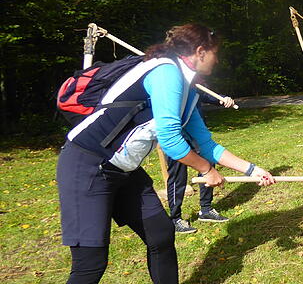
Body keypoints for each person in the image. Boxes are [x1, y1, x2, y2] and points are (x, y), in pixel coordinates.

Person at [56, 24, 276, 284]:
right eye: (215, 53)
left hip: (124, 170)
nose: (217, 60)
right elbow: (171, 141)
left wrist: (252, 170)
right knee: (90, 264)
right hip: (87, 165)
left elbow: (205, 143)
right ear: (201, 51)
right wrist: (207, 170)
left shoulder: (187, 89)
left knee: (160, 235)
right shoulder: (166, 72)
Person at [165, 91, 236, 234]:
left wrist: (222, 99)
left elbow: (203, 92)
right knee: (178, 176)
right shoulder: (170, 80)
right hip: (176, 136)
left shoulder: (192, 80)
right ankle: (175, 219)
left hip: (196, 132)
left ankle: (206, 209)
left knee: (209, 166)